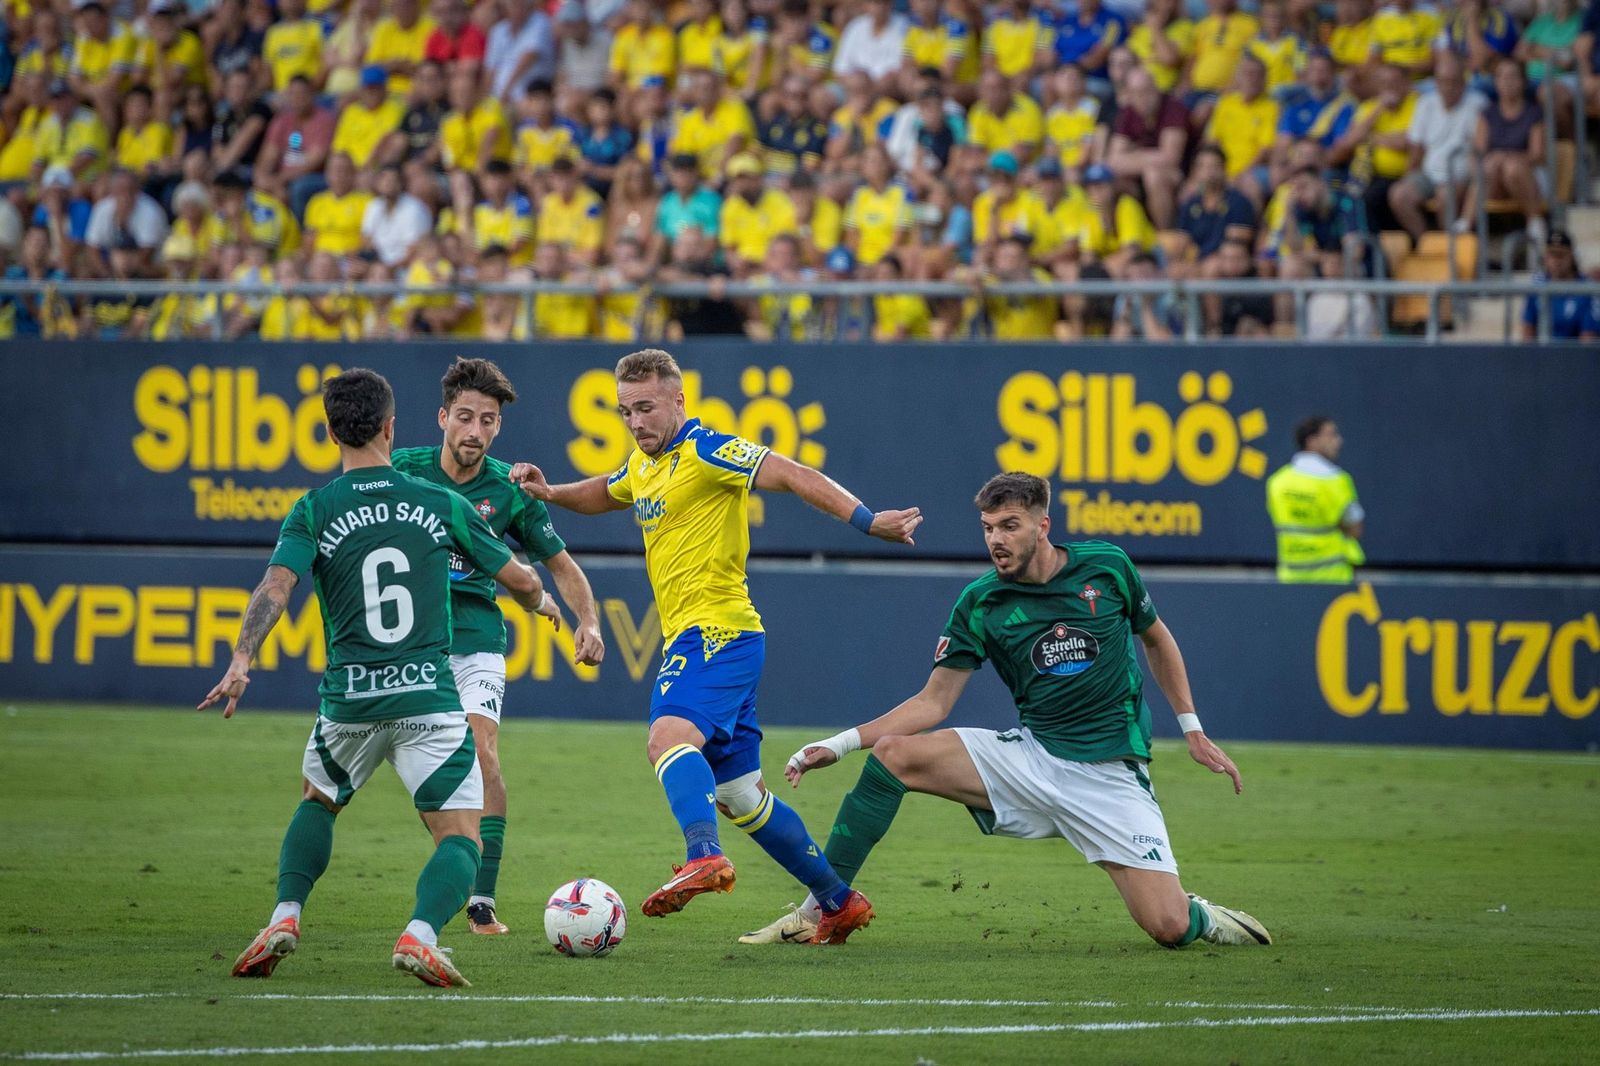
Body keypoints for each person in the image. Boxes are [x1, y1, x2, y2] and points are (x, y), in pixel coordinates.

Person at [744, 473, 1271, 950]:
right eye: (988, 527)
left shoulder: (1108, 568)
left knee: (1169, 928)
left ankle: (1204, 916)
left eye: (1009, 526)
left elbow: (1157, 640)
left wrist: (1192, 728)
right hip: (1033, 758)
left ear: (1043, 525)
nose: (996, 539)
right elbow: (935, 701)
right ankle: (823, 909)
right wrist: (839, 744)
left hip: (1111, 774)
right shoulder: (981, 602)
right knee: (893, 756)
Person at [509, 349, 923, 942]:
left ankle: (703, 855)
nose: (636, 421)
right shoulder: (644, 464)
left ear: (679, 401)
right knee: (736, 792)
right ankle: (837, 900)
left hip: (717, 630)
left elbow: (792, 472)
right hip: (708, 636)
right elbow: (607, 489)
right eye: (626, 411)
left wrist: (866, 519)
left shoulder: (707, 449)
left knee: (666, 738)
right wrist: (551, 494)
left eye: (647, 407)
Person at [203, 368, 559, 988]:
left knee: (319, 801)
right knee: (461, 835)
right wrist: (542, 604)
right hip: (428, 696)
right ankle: (420, 935)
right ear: (393, 429)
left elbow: (275, 588)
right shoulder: (440, 502)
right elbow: (523, 580)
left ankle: (285, 918)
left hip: (350, 701)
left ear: (329, 432)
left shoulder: (312, 510)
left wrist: (241, 659)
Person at [391, 358, 603, 936]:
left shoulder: (509, 489)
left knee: (483, 756)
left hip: (477, 641)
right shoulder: (401, 470)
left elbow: (560, 564)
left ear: (498, 428)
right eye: (465, 417)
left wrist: (590, 621)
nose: (475, 432)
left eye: (487, 421)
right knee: (428, 778)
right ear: (442, 418)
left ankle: (481, 897)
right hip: (411, 646)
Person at [1265, 416, 1365, 583]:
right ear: (1312, 441)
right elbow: (1355, 530)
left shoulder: (1277, 482)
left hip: (1290, 577)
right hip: (1333, 579)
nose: (1339, 441)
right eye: (1331, 435)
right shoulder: (1337, 481)